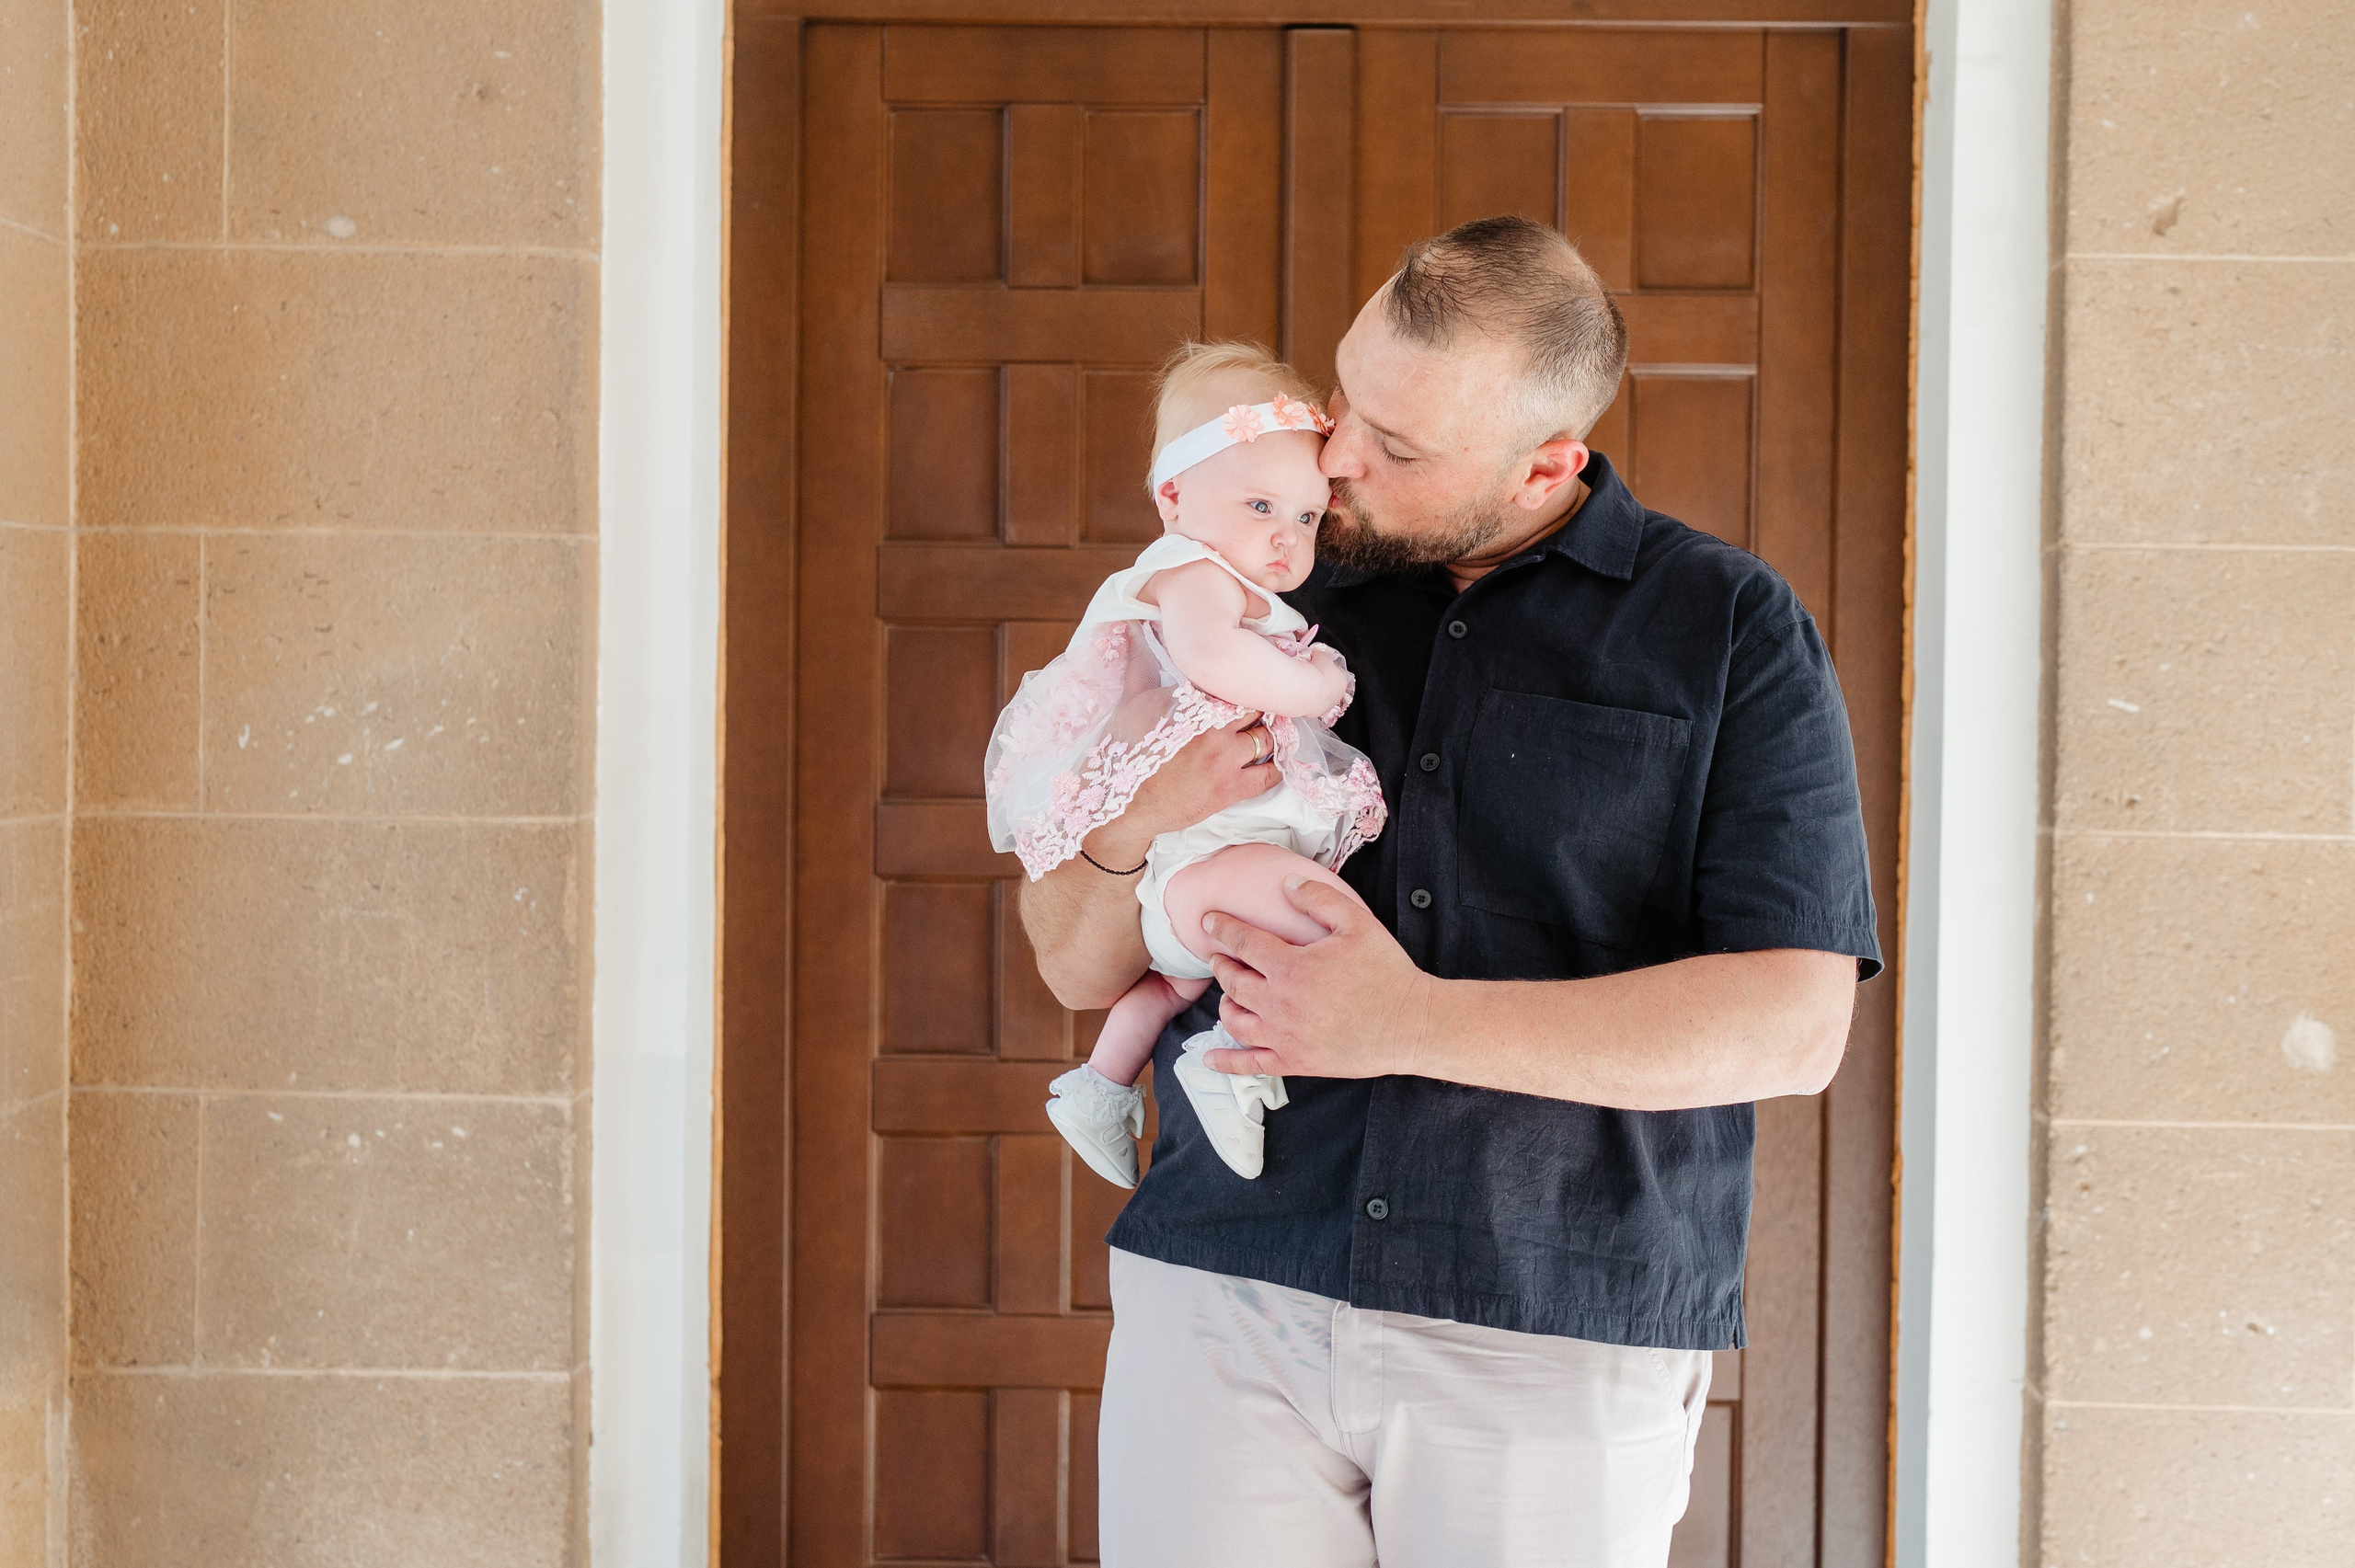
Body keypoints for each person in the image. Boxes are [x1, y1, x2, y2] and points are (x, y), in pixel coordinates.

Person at [1019, 216, 1882, 1568]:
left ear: (1547, 462)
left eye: (1398, 446)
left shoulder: (1729, 628)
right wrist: (1135, 821)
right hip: (1225, 1284)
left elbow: (1793, 1027)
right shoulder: (1251, 580)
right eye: (1342, 401)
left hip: (1550, 1316)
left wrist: (1406, 1021)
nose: (1334, 461)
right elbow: (1074, 965)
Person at [983, 342, 1384, 1187]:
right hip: (1197, 867)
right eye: (1261, 505)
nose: (1286, 539)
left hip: (1184, 893)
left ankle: (1100, 1085)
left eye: (1307, 517)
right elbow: (1213, 659)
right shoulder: (1192, 571)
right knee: (1317, 912)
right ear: (1173, 498)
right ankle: (1226, 1056)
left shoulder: (1230, 577)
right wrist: (1316, 686)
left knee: (1171, 986)